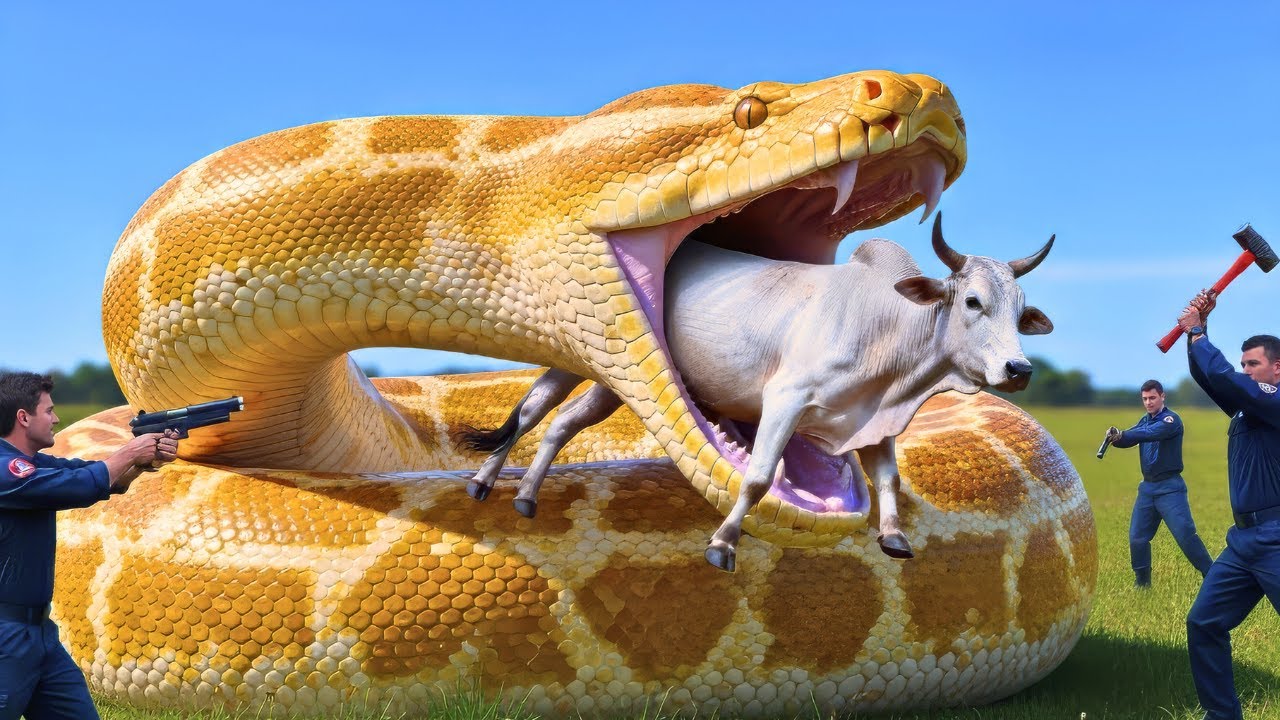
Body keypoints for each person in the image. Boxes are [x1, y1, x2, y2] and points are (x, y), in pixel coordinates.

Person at [0, 371, 178, 720]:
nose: (56, 419)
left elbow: (92, 476)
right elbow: (80, 485)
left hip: (39, 632)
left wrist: (142, 461)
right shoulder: (6, 470)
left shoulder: (34, 464)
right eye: (48, 411)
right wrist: (130, 451)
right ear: (24, 417)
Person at [1178, 291, 1280, 720]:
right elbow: (1214, 379)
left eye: (1252, 364)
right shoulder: (1247, 409)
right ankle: (1221, 716)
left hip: (1276, 538)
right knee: (1204, 624)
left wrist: (1199, 331)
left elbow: (1229, 380)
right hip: (1242, 543)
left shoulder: (1274, 401)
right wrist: (1198, 332)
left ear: (1277, 368)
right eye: (1242, 365)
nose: (1245, 371)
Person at [1106, 379, 1214, 587]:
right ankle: (1142, 583)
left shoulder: (1171, 420)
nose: (1148, 402)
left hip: (1170, 488)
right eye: (1145, 399)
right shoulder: (1144, 421)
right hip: (1147, 488)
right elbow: (1131, 439)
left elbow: (1151, 433)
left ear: (1162, 396)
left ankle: (1211, 575)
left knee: (1185, 536)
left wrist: (1126, 433)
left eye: (1152, 397)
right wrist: (1116, 438)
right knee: (1137, 538)